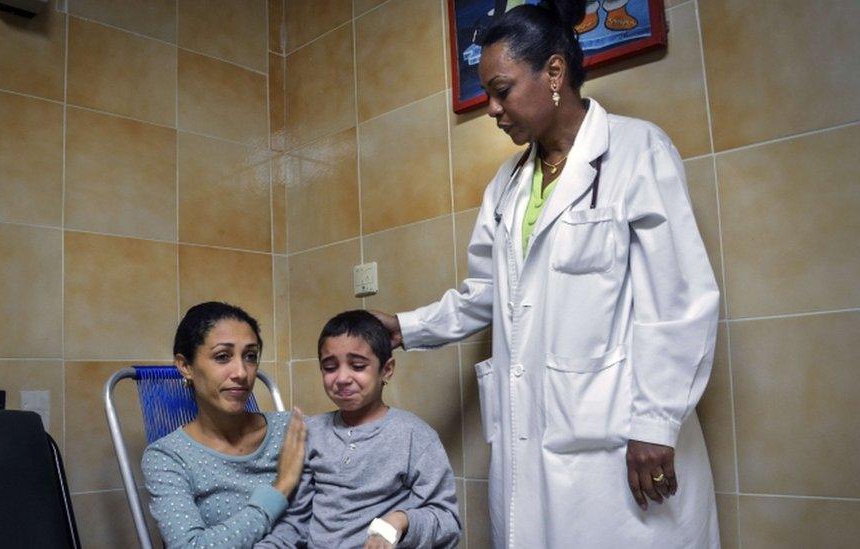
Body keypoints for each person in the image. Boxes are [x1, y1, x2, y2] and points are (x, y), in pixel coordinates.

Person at [373, 2, 721, 547]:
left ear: (554, 74)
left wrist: (655, 423)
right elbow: (486, 293)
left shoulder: (635, 151)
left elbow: (678, 299)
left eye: (502, 89)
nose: (491, 108)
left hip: (618, 438)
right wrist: (405, 326)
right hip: (527, 436)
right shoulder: (507, 185)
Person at [257, 310, 461, 548]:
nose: (342, 378)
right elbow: (297, 522)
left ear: (386, 370)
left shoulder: (414, 436)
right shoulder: (314, 432)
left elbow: (447, 522)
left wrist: (399, 521)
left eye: (357, 365)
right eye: (330, 367)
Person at [142, 302, 307, 549]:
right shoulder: (168, 457)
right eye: (222, 357)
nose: (241, 372)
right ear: (185, 366)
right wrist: (281, 487)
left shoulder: (291, 430)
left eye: (250, 356)